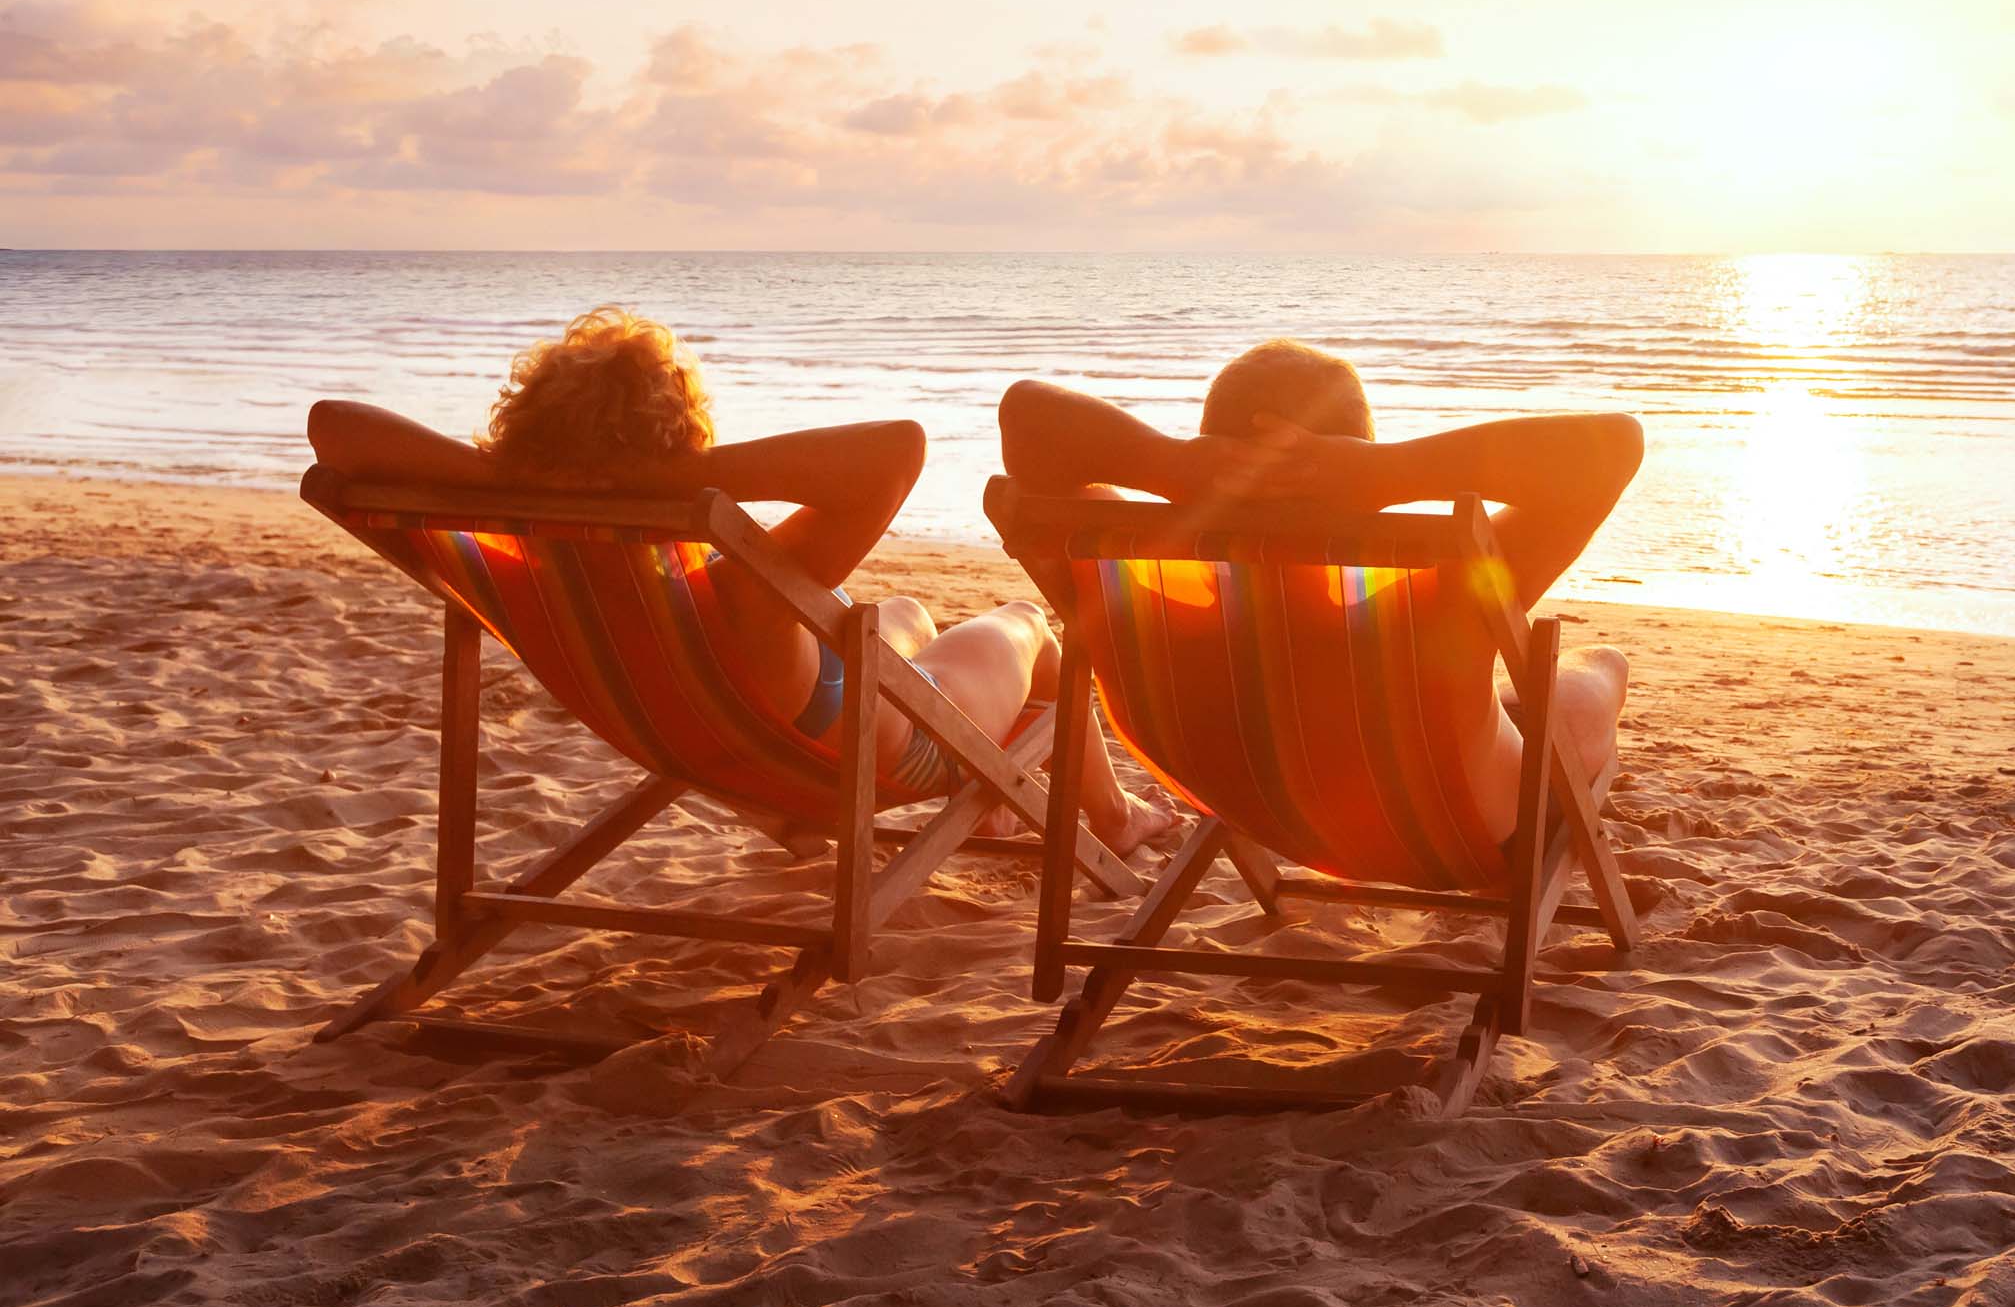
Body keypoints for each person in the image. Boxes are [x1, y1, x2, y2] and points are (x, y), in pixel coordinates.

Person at [305, 305, 1169, 854]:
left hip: (700, 735)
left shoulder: (513, 572)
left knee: (899, 609)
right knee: (1025, 624)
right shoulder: (739, 597)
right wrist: (668, 477)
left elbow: (332, 428)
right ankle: (1118, 820)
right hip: (871, 758)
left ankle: (995, 802)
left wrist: (518, 480)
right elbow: (899, 447)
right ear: (677, 445)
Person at [999, 340, 1644, 839]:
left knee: (1501, 701)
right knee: (1598, 667)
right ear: (1356, 464)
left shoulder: (1129, 592)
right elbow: (1614, 445)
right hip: (1459, 834)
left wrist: (1167, 465)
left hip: (1244, 806)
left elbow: (1027, 414)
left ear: (1206, 451)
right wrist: (1390, 475)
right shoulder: (1437, 611)